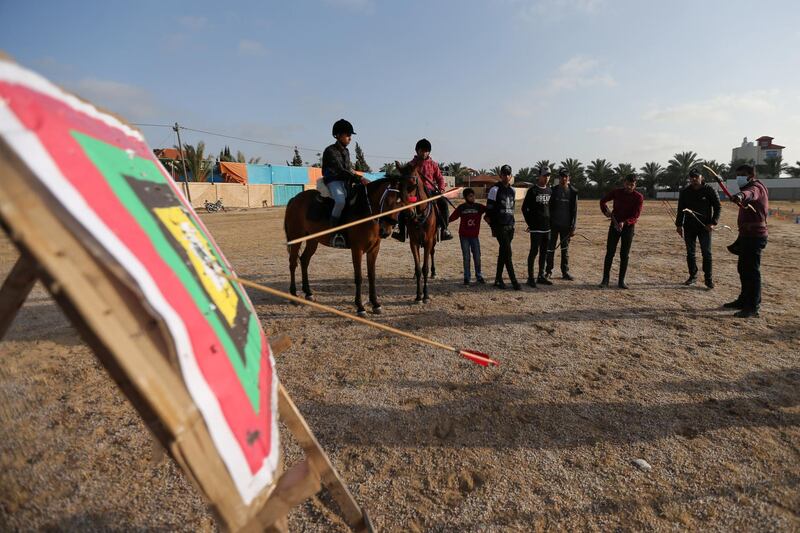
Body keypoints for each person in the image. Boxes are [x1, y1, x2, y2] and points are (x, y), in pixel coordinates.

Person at [723, 164, 768, 318]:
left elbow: (750, 194)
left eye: (741, 175)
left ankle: (752, 307)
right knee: (743, 268)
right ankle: (744, 300)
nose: (738, 178)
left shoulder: (756, 187)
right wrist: (740, 196)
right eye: (737, 175)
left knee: (752, 271)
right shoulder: (749, 187)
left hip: (755, 236)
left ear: (750, 175)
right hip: (747, 236)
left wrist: (741, 196)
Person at [393, 138, 452, 242]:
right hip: (414, 192)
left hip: (430, 191)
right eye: (422, 151)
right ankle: (400, 231)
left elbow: (440, 178)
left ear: (429, 152)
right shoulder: (411, 164)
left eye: (426, 151)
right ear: (417, 151)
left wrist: (441, 189)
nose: (424, 153)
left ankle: (445, 229)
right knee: (403, 206)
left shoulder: (433, 164)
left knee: (443, 203)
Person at [322, 119, 368, 248]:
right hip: (333, 180)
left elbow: (349, 169)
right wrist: (359, 179)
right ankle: (333, 232)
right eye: (348, 135)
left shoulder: (346, 151)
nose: (350, 138)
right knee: (340, 201)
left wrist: (361, 178)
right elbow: (341, 170)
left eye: (350, 136)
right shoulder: (330, 151)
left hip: (345, 181)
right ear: (338, 135)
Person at [675, 168, 721, 288]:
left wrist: (713, 222)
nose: (694, 179)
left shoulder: (710, 190)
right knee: (690, 253)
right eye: (692, 177)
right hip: (689, 227)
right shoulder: (685, 192)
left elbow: (718, 207)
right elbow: (680, 210)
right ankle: (692, 276)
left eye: (696, 177)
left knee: (707, 253)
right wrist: (679, 225)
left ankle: (708, 279)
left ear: (702, 178)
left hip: (705, 227)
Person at [599, 174, 644, 289]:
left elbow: (635, 216)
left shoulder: (638, 197)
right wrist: (606, 212)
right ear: (624, 183)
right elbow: (603, 201)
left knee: (625, 255)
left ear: (635, 185)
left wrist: (625, 223)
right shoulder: (616, 192)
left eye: (632, 185)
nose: (629, 187)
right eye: (628, 184)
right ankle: (605, 280)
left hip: (628, 228)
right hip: (614, 226)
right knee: (610, 253)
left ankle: (621, 281)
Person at [485, 165, 521, 290]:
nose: (506, 176)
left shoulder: (512, 191)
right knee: (508, 253)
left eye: (508, 174)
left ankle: (498, 279)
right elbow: (488, 213)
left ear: (511, 176)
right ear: (500, 175)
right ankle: (514, 281)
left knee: (503, 253)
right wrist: (493, 228)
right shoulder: (494, 190)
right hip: (500, 227)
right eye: (504, 174)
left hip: (510, 226)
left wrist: (512, 224)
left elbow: (511, 209)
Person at [522, 167, 552, 287]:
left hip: (547, 228)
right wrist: (530, 223)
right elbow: (524, 209)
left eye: (548, 176)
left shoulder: (550, 191)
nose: (546, 178)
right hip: (536, 229)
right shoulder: (533, 191)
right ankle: (530, 278)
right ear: (539, 176)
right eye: (544, 175)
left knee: (544, 253)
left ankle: (541, 276)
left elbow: (551, 208)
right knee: (534, 252)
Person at [449, 188, 486, 285]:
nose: (473, 197)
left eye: (473, 195)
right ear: (466, 197)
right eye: (470, 196)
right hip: (464, 236)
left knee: (477, 257)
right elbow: (452, 218)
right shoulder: (461, 208)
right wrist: (443, 221)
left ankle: (479, 275)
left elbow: (489, 210)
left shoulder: (479, 207)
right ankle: (467, 277)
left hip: (474, 237)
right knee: (466, 257)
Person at [546, 168, 578, 281]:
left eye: (566, 176)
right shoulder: (552, 190)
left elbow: (575, 211)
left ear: (569, 178)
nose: (563, 178)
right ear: (558, 178)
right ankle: (548, 271)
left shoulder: (573, 192)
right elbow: (548, 208)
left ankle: (565, 272)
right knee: (550, 249)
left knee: (565, 250)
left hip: (566, 227)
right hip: (553, 225)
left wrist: (574, 226)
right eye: (561, 176)